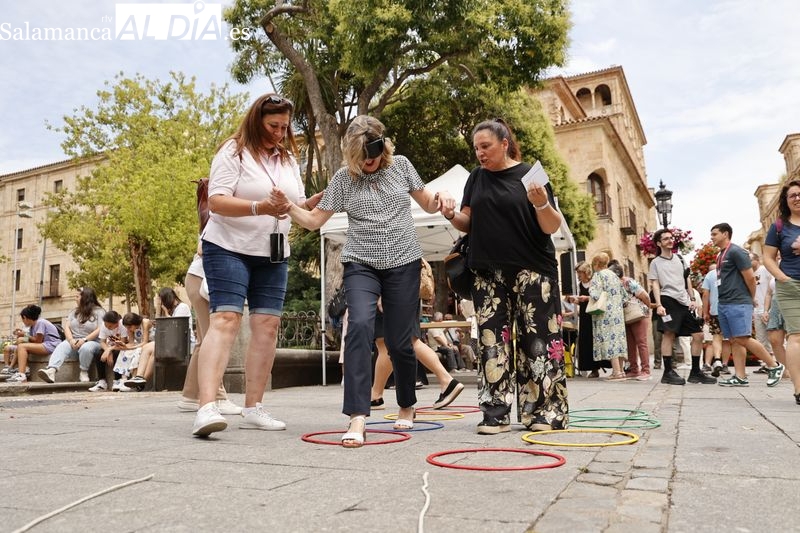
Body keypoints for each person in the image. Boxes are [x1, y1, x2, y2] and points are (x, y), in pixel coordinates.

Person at [273, 114, 455, 447]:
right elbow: (314, 220)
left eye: (370, 156)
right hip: (361, 263)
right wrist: (288, 208)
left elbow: (426, 201)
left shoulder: (400, 166)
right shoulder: (344, 179)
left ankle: (406, 405)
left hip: (403, 261)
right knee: (358, 327)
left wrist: (441, 200)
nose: (367, 163)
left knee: (401, 341)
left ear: (381, 147)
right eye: (360, 159)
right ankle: (358, 416)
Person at [191, 93, 320, 437]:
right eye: (272, 125)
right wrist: (259, 208)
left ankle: (254, 407)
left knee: (267, 326)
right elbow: (216, 201)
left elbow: (294, 203)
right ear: (256, 120)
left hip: (273, 252)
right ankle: (206, 407)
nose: (279, 132)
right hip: (228, 246)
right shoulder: (233, 151)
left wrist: (318, 200)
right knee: (226, 319)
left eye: (284, 126)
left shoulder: (289, 159)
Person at [441, 118, 568, 434]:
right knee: (491, 343)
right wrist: (450, 214)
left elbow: (551, 226)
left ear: (504, 143)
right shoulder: (476, 178)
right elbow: (466, 222)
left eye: (485, 146)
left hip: (533, 271)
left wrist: (540, 204)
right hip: (486, 272)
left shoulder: (531, 175)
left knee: (538, 342)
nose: (480, 153)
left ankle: (546, 413)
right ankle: (495, 413)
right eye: (476, 148)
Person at [710, 223, 784, 388]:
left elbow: (750, 278)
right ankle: (740, 377)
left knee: (743, 337)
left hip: (738, 301)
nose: (712, 237)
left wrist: (749, 298)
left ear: (725, 234)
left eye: (715, 234)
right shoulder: (720, 254)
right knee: (735, 340)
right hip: (725, 302)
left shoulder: (737, 251)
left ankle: (774, 366)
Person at [175, 249, 242, 414]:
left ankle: (189, 396)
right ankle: (218, 397)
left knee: (204, 341)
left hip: (196, 279)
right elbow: (201, 247)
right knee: (215, 341)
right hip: (203, 281)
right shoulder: (215, 223)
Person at [648, 229, 715, 385]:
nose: (670, 240)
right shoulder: (655, 263)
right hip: (667, 300)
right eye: (665, 239)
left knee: (698, 335)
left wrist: (692, 298)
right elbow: (655, 284)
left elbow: (687, 279)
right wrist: (658, 304)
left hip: (684, 302)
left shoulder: (680, 258)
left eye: (671, 238)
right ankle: (668, 372)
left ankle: (695, 372)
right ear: (659, 243)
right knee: (669, 334)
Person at [38, 287, 105, 384]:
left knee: (86, 347)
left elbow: (100, 329)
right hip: (74, 341)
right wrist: (71, 340)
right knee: (62, 346)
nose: (75, 299)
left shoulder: (99, 311)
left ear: (85, 297)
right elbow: (67, 327)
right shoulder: (74, 312)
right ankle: (51, 370)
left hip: (93, 342)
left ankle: (84, 371)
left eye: (77, 296)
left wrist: (84, 340)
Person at [609, 261, 652, 380]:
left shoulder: (628, 282)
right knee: (630, 344)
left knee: (641, 342)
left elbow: (645, 296)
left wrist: (646, 310)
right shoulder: (615, 285)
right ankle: (634, 369)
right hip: (625, 316)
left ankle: (646, 370)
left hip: (638, 314)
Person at [587, 253, 628, 381]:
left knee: (610, 341)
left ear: (596, 264)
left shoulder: (598, 275)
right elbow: (624, 296)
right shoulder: (615, 276)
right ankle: (621, 371)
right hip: (618, 313)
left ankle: (616, 373)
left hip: (605, 313)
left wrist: (590, 291)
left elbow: (595, 294)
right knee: (619, 340)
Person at [570, 261, 610, 378]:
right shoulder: (579, 284)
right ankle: (593, 368)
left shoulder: (595, 282)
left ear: (586, 272)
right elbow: (581, 301)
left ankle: (604, 365)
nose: (578, 275)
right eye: (578, 273)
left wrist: (586, 298)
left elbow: (600, 296)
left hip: (595, 314)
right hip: (585, 315)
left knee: (597, 340)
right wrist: (575, 300)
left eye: (580, 273)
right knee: (587, 341)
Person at [3, 305, 61, 383]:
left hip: (51, 345)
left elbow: (38, 341)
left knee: (22, 347)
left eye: (22, 319)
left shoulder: (40, 322)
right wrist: (21, 337)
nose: (23, 322)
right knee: (21, 346)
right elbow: (32, 340)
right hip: (45, 344)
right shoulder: (32, 326)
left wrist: (24, 335)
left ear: (25, 317)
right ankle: (24, 369)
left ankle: (22, 375)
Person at [88, 310, 129, 391]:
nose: (107, 328)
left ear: (117, 323)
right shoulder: (104, 325)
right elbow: (102, 342)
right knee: (98, 353)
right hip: (109, 347)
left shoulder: (122, 325)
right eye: (106, 326)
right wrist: (107, 351)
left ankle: (117, 380)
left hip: (121, 347)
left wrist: (109, 350)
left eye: (110, 326)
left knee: (117, 353)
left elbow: (123, 343)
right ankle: (102, 382)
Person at [749, 252, 774, 373]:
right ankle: (766, 364)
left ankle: (777, 363)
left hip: (768, 310)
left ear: (756, 260)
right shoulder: (749, 273)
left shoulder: (764, 270)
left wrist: (769, 309)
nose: (747, 262)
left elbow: (772, 289)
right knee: (761, 339)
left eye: (750, 260)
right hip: (756, 311)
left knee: (773, 337)